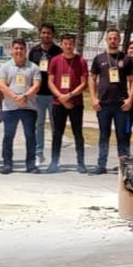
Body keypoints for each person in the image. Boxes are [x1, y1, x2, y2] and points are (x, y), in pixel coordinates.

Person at [88, 28, 133, 175]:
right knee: (103, 135)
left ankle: (124, 165)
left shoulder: (126, 59)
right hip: (104, 104)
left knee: (122, 135)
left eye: (115, 38)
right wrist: (93, 98)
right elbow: (92, 78)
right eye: (110, 38)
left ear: (119, 40)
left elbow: (132, 81)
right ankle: (101, 165)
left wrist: (130, 99)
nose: (113, 40)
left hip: (121, 104)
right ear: (106, 40)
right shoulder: (99, 58)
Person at [0, 38, 42, 174]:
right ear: (11, 50)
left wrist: (25, 97)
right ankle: (7, 164)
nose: (18, 51)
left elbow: (36, 85)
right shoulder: (5, 67)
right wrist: (15, 97)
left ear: (25, 50)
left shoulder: (33, 67)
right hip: (10, 107)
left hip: (28, 107)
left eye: (21, 48)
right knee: (8, 136)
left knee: (30, 136)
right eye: (16, 48)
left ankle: (31, 164)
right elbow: (2, 85)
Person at [46, 33, 88, 173]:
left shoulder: (81, 61)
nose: (68, 46)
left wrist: (69, 95)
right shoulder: (55, 60)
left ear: (74, 44)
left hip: (76, 103)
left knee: (78, 133)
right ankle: (54, 162)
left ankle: (81, 163)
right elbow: (50, 82)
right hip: (58, 104)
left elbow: (84, 84)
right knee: (57, 134)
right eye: (65, 44)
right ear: (62, 44)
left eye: (71, 44)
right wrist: (61, 97)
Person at [28, 23, 62, 168]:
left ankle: (55, 157)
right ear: (40, 34)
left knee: (56, 127)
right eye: (43, 33)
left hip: (54, 95)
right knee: (39, 125)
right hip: (38, 95)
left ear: (52, 35)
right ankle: (39, 154)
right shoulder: (34, 51)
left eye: (48, 33)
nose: (46, 35)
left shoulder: (58, 51)